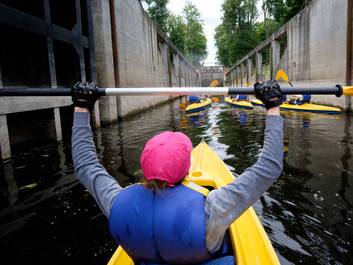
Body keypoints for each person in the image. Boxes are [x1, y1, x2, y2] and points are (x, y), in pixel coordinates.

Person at [71, 80, 284, 264]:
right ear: (187, 169)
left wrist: (82, 107)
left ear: (144, 168)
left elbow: (85, 165)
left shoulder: (116, 202)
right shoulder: (211, 208)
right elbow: (269, 167)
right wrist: (272, 106)